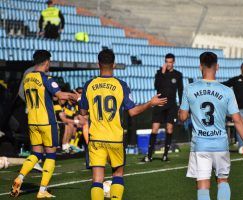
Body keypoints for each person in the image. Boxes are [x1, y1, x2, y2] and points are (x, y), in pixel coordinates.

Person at [79, 49, 167, 200]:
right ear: (113, 64)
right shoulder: (121, 85)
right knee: (118, 175)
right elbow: (133, 112)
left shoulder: (89, 85)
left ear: (98, 64)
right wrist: (150, 103)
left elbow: (82, 112)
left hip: (96, 138)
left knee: (97, 179)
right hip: (115, 138)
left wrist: (79, 100)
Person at [178, 52, 243, 200]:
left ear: (200, 66)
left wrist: (181, 112)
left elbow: (183, 117)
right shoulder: (227, 91)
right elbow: (237, 119)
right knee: (223, 180)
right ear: (217, 67)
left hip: (200, 144)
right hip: (220, 144)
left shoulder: (189, 89)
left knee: (203, 185)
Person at [10, 50, 77, 198]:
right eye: (50, 62)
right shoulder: (47, 78)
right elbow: (59, 95)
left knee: (36, 153)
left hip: (32, 121)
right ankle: (42, 190)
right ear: (46, 62)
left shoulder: (27, 78)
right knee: (51, 156)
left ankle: (19, 178)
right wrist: (76, 97)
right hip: (47, 122)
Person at [143, 53, 183, 162]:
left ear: (173, 62)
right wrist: (162, 73)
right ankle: (149, 155)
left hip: (171, 106)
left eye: (170, 62)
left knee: (169, 129)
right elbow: (156, 86)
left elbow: (180, 91)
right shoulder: (159, 73)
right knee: (154, 129)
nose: (168, 64)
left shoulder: (178, 75)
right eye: (167, 62)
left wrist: (181, 106)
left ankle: (165, 155)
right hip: (159, 104)